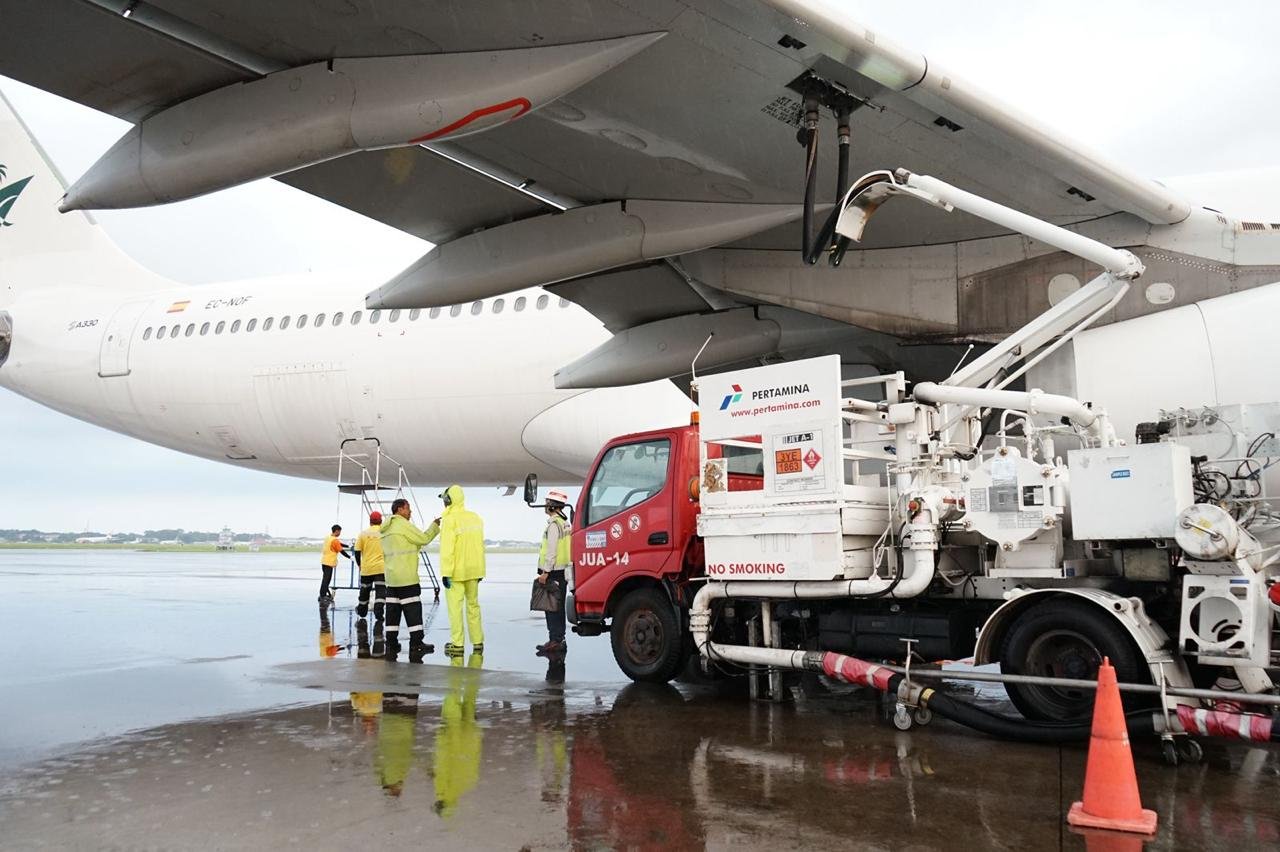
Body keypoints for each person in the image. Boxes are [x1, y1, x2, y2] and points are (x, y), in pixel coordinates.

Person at [432, 485, 486, 657]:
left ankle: (457, 643)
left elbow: (447, 549)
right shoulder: (475, 518)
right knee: (473, 606)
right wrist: (481, 571)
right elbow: (479, 546)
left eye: (444, 499)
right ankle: (477, 641)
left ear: (449, 500)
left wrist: (446, 573)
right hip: (474, 570)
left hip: (456, 572)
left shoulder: (449, 520)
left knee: (455, 609)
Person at [379, 499, 435, 662]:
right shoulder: (403, 525)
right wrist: (434, 526)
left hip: (391, 578)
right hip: (406, 576)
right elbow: (423, 539)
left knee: (392, 613)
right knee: (413, 612)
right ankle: (416, 643)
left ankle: (391, 643)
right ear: (399, 509)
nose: (410, 512)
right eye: (408, 508)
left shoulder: (385, 529)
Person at [535, 489, 572, 655]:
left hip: (553, 571)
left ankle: (555, 640)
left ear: (552, 505)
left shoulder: (554, 525)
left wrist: (545, 572)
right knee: (558, 607)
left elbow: (551, 550)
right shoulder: (565, 523)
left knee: (551, 608)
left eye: (547, 503)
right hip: (562, 571)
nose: (545, 506)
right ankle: (558, 639)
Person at [355, 511, 387, 620]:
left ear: (370, 521)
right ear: (381, 521)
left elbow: (357, 551)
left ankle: (362, 611)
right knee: (381, 591)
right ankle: (378, 611)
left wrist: (359, 564)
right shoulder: (384, 533)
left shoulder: (363, 534)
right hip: (381, 568)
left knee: (365, 591)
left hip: (367, 568)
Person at [319, 524, 349, 603]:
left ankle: (323, 595)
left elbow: (339, 543)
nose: (340, 533)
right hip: (329, 562)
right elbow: (341, 551)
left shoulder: (328, 537)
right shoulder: (335, 540)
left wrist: (347, 545)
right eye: (339, 532)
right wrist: (350, 557)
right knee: (326, 580)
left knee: (325, 579)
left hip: (324, 561)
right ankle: (322, 596)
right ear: (337, 531)